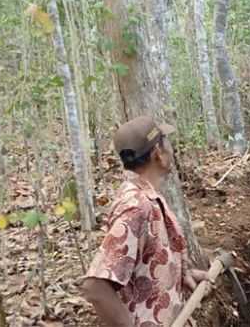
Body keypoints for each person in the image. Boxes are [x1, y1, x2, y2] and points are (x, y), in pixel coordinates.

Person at [80, 116, 213, 326]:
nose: (172, 147)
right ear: (157, 153)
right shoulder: (135, 206)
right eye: (166, 140)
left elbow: (142, 264)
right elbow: (95, 286)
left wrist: (180, 276)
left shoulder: (148, 197)